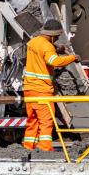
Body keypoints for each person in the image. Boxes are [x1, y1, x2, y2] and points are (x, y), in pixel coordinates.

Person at [23, 19, 79, 151]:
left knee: (32, 121)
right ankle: (45, 150)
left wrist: (57, 49)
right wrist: (73, 57)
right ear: (53, 35)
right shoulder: (47, 46)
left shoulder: (33, 42)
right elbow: (55, 61)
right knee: (46, 122)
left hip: (29, 89)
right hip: (42, 90)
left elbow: (42, 52)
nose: (58, 38)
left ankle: (28, 148)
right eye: (57, 36)